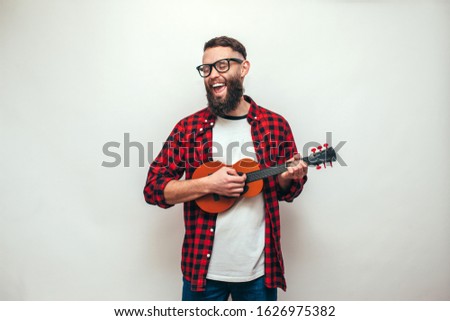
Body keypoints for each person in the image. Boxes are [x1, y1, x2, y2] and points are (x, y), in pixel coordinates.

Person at [144, 36, 308, 301]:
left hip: (259, 274)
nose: (212, 75)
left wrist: (289, 178)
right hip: (202, 274)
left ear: (243, 68)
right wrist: (208, 184)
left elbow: (286, 192)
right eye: (206, 69)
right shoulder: (189, 128)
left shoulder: (274, 125)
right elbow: (153, 189)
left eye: (222, 65)